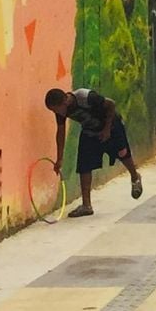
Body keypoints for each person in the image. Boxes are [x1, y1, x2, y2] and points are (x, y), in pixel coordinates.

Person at [46, 87, 141, 218]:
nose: (57, 113)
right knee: (84, 165)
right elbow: (60, 132)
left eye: (56, 110)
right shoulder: (60, 111)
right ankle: (86, 205)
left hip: (111, 125)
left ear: (65, 101)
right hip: (90, 130)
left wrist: (107, 129)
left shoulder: (85, 97)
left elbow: (111, 104)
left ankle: (135, 177)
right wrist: (59, 158)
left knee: (122, 153)